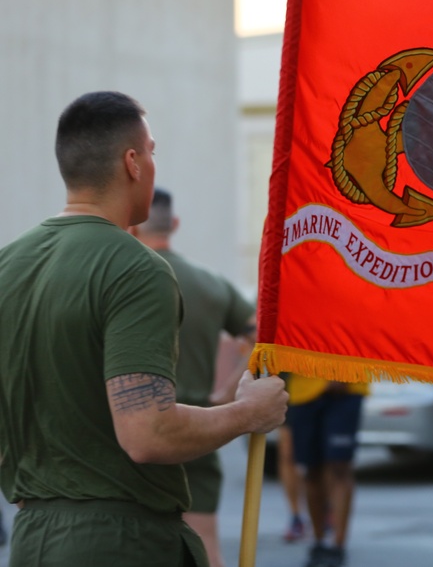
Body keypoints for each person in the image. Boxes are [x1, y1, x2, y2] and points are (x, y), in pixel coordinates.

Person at [0, 91, 288, 566]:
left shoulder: (9, 265)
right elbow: (147, 433)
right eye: (152, 151)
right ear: (132, 162)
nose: (154, 164)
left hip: (30, 537)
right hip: (118, 543)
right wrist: (248, 413)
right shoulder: (136, 268)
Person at [131, 188, 257, 567]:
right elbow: (261, 335)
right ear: (175, 224)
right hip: (199, 428)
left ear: (132, 227)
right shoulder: (210, 283)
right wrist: (228, 391)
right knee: (205, 547)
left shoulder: (124, 280)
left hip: (134, 429)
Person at [285, 374, 368, 567]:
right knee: (312, 470)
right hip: (304, 388)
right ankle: (319, 542)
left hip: (349, 386)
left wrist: (344, 372)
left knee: (340, 467)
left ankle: (337, 546)